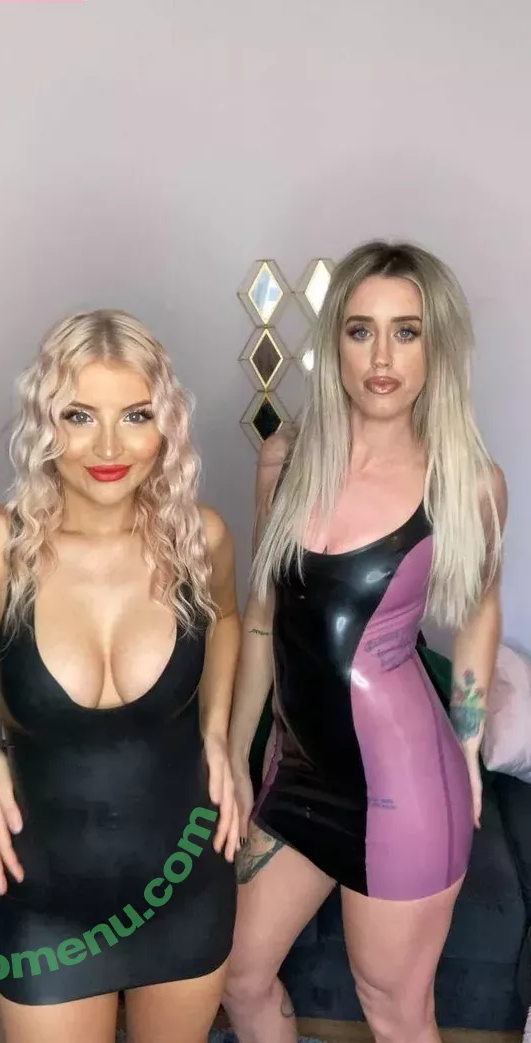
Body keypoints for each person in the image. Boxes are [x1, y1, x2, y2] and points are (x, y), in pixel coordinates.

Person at [0, 310, 240, 1043]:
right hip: (44, 902)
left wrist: (219, 731)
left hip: (188, 881)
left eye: (135, 415)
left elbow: (227, 619)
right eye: (79, 416)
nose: (108, 447)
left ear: (166, 426)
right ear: (44, 423)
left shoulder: (200, 540)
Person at [224, 241, 508, 1043]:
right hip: (297, 774)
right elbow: (262, 615)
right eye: (361, 330)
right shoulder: (284, 460)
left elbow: (480, 611)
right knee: (239, 976)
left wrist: (469, 741)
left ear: (436, 345)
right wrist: (240, 754)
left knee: (395, 1011)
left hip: (403, 787)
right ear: (336, 343)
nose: (382, 357)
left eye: (406, 332)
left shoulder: (466, 482)